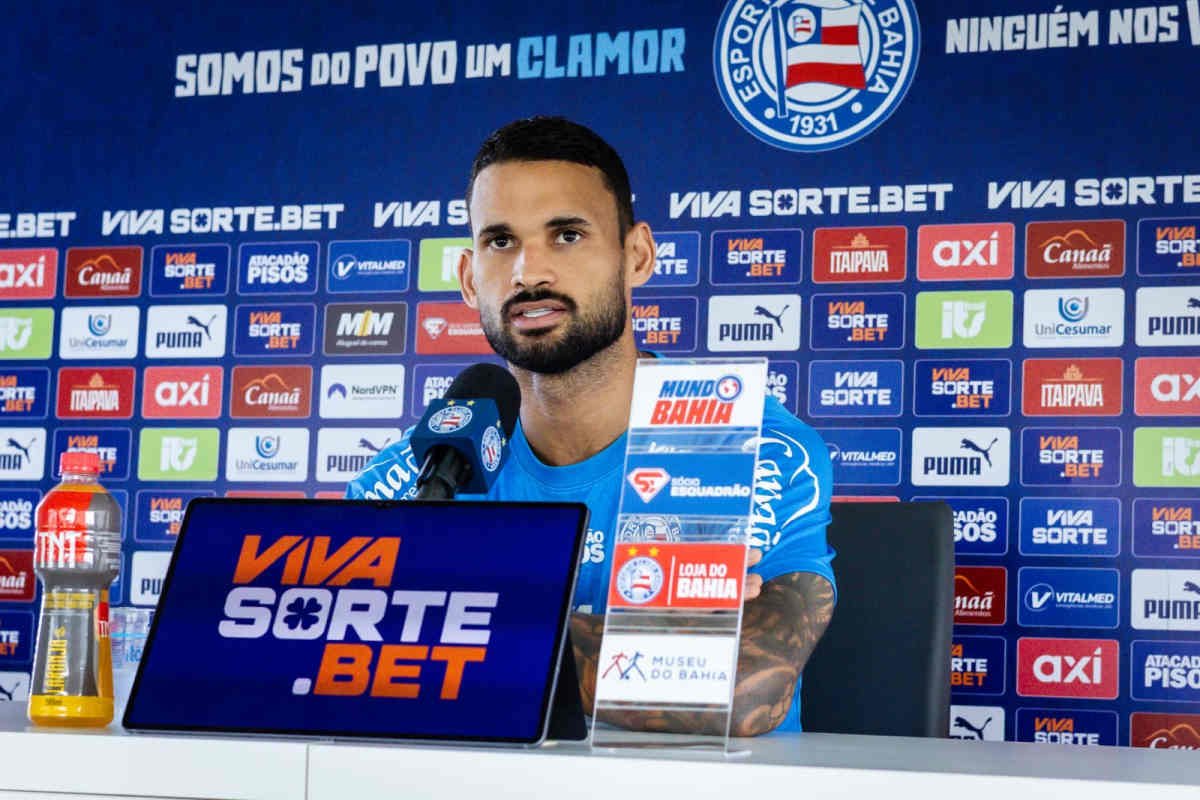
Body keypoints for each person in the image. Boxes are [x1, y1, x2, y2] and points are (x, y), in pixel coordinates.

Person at [346, 116, 835, 736]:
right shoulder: (408, 481)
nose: (529, 272)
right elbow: (336, 659)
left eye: (568, 235)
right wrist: (647, 643)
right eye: (501, 241)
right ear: (470, 278)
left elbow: (737, 685)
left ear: (638, 255)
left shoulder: (752, 446)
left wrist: (447, 621)